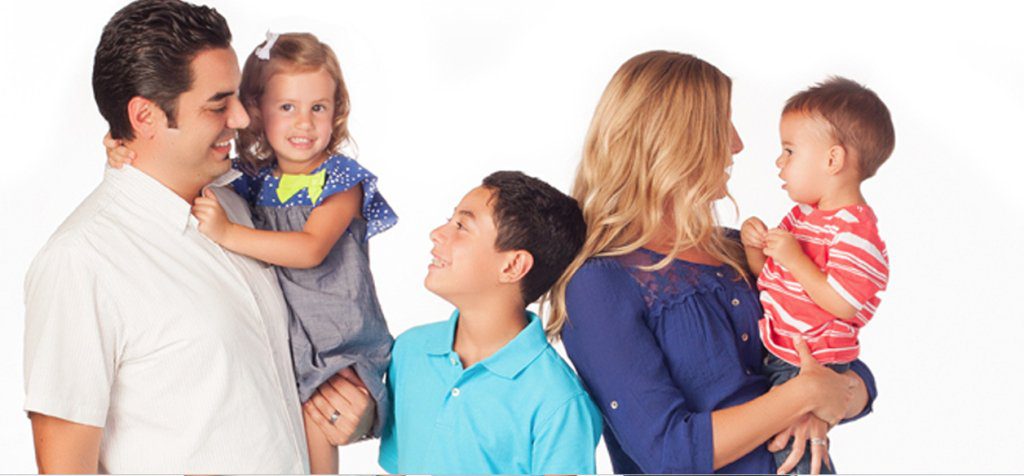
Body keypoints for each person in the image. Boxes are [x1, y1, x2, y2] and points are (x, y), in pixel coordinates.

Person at [24, 1, 373, 473]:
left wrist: (355, 412)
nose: (242, 120)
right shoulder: (81, 262)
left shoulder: (239, 204)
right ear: (145, 117)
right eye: (217, 105)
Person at [546, 51, 879, 474]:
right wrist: (801, 396)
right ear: (674, 139)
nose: (737, 143)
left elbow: (843, 362)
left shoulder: (741, 251)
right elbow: (669, 454)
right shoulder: (599, 284)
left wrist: (834, 397)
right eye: (722, 122)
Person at [105, 30, 396, 473]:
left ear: (337, 111)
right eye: (287, 108)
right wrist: (121, 149)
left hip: (337, 340)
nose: (304, 123)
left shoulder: (341, 179)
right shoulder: (250, 179)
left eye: (318, 107)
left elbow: (311, 248)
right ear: (257, 110)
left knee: (316, 421)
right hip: (285, 341)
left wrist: (228, 233)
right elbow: (179, 174)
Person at [378, 171, 602, 474]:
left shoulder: (559, 402)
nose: (437, 233)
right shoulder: (410, 351)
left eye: (461, 226)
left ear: (512, 265)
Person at [740, 77, 894, 473]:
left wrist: (794, 259)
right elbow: (770, 282)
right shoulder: (803, 218)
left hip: (808, 362)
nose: (779, 162)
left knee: (795, 456)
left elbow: (844, 304)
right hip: (781, 353)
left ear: (832, 160)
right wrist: (754, 249)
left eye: (789, 151)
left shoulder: (857, 232)